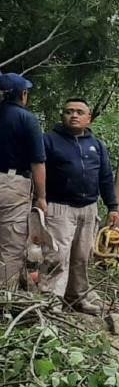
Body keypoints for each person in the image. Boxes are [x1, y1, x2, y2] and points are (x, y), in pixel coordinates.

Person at [42, 98, 118, 314]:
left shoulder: (97, 145)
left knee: (82, 256)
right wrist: (38, 201)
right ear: (62, 116)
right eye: (68, 111)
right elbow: (37, 172)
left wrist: (112, 206)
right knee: (57, 255)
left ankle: (77, 298)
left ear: (89, 118)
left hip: (89, 208)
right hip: (59, 207)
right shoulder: (49, 141)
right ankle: (51, 300)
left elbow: (105, 177)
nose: (73, 115)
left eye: (79, 112)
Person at [0, 73, 46, 286]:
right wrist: (41, 197)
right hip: (12, 183)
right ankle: (4, 298)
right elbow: (38, 162)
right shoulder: (26, 119)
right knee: (11, 243)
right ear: (23, 94)